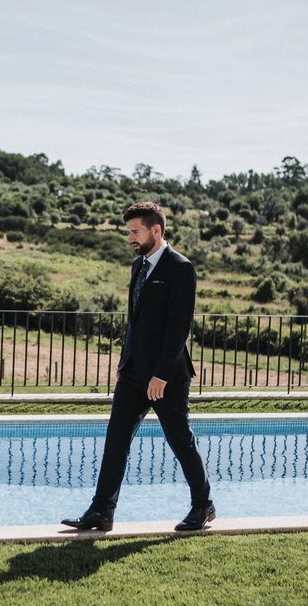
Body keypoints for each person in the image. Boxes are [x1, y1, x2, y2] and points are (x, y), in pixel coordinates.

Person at [63, 202, 213, 532]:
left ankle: (203, 505)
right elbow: (135, 322)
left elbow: (179, 328)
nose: (130, 237)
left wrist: (161, 374)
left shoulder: (181, 268)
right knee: (115, 441)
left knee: (180, 441)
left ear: (155, 230)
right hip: (133, 373)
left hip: (166, 377)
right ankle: (101, 510)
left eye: (136, 231)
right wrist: (125, 362)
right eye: (128, 231)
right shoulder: (138, 266)